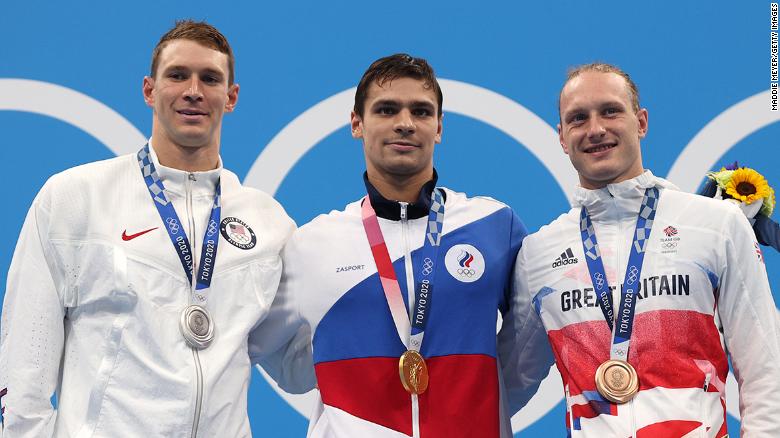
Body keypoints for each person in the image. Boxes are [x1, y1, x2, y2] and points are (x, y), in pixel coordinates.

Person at [0, 20, 294, 437]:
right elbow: (24, 361)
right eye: (177, 75)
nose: (193, 90)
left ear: (231, 98)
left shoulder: (268, 223)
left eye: (210, 79)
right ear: (149, 90)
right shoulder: (74, 197)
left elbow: (297, 364)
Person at [250, 53, 552, 438]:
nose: (405, 124)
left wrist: (476, 402)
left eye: (421, 112)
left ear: (439, 126)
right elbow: (278, 358)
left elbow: (527, 348)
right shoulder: (312, 244)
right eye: (387, 110)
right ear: (357, 123)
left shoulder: (495, 227)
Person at [514, 63, 780, 436]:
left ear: (641, 122)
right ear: (561, 137)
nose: (595, 129)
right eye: (578, 118)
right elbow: (506, 385)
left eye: (610, 111)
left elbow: (767, 369)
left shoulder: (715, 225)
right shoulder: (539, 255)